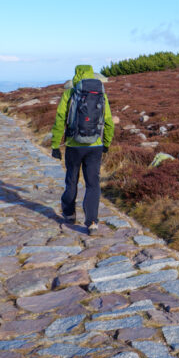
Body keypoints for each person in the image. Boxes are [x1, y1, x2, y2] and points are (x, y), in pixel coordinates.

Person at [50, 64, 114, 234]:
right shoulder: (101, 94)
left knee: (71, 180)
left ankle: (69, 214)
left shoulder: (69, 93)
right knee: (93, 184)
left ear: (77, 74)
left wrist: (55, 145)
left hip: (73, 145)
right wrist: (106, 143)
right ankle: (92, 222)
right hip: (95, 146)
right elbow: (108, 121)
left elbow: (60, 120)